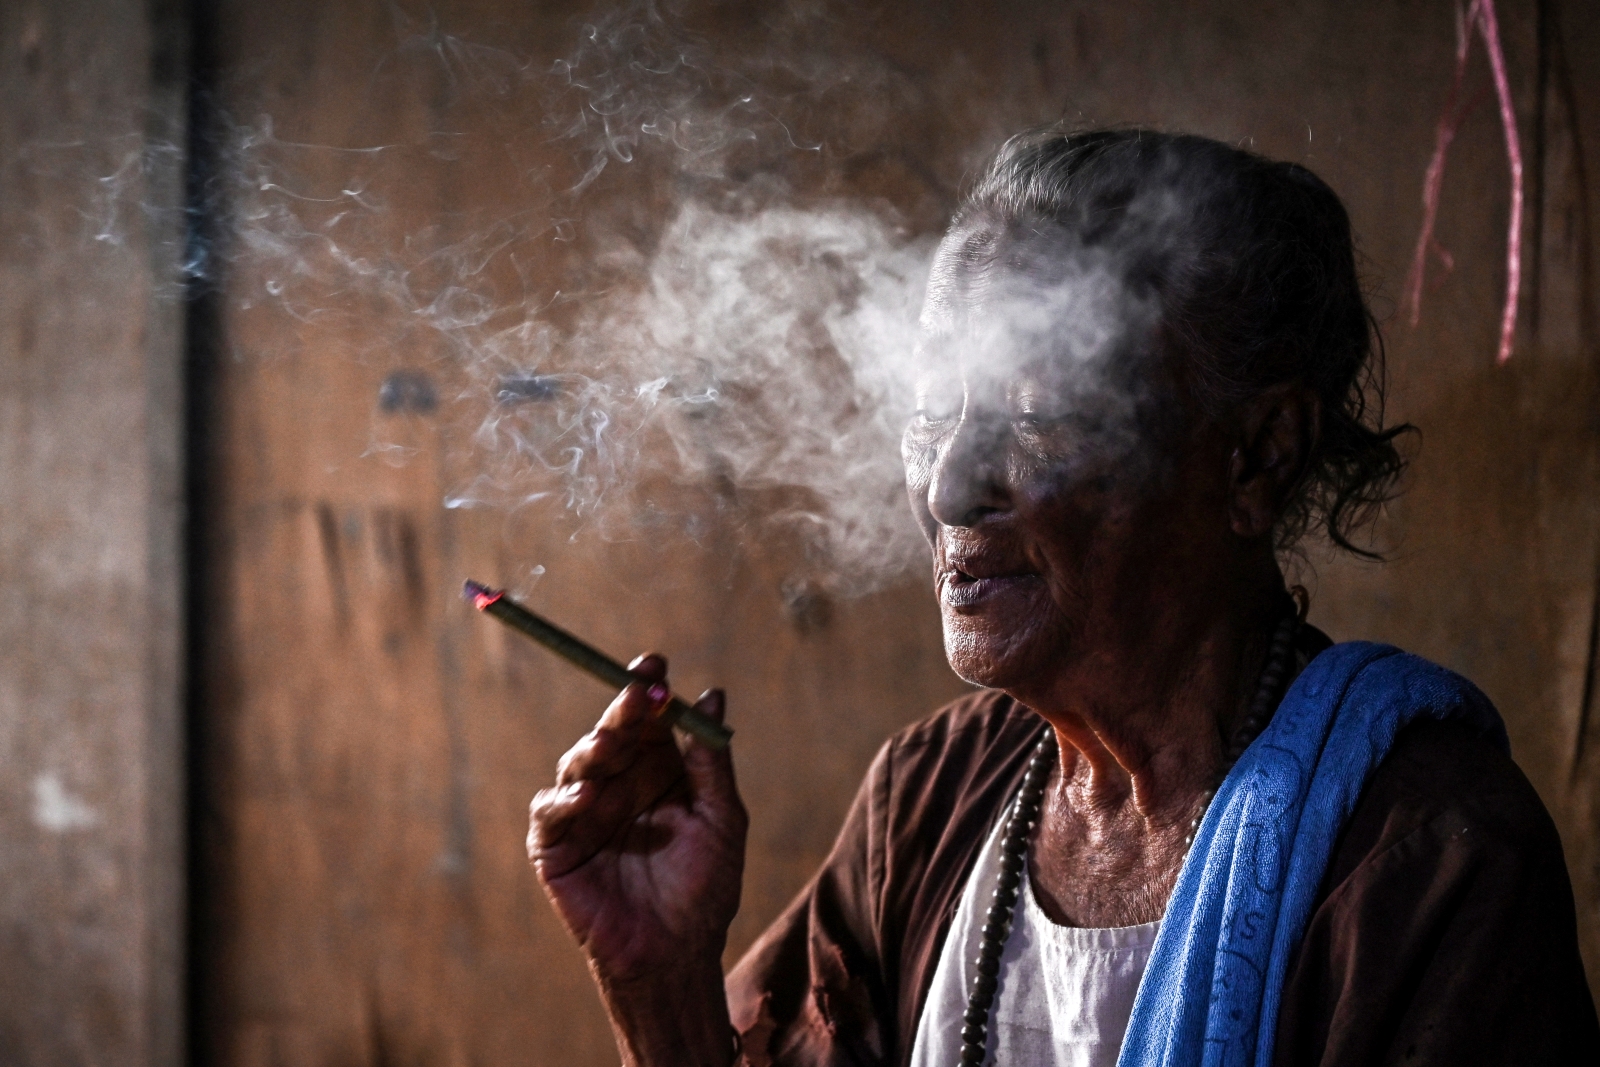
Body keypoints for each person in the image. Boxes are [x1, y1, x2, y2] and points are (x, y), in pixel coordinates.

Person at [527, 128, 1600, 1067]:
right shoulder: (932, 794)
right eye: (930, 408)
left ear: (1257, 457)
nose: (948, 484)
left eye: (1035, 408)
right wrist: (659, 979)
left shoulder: (1424, 857)